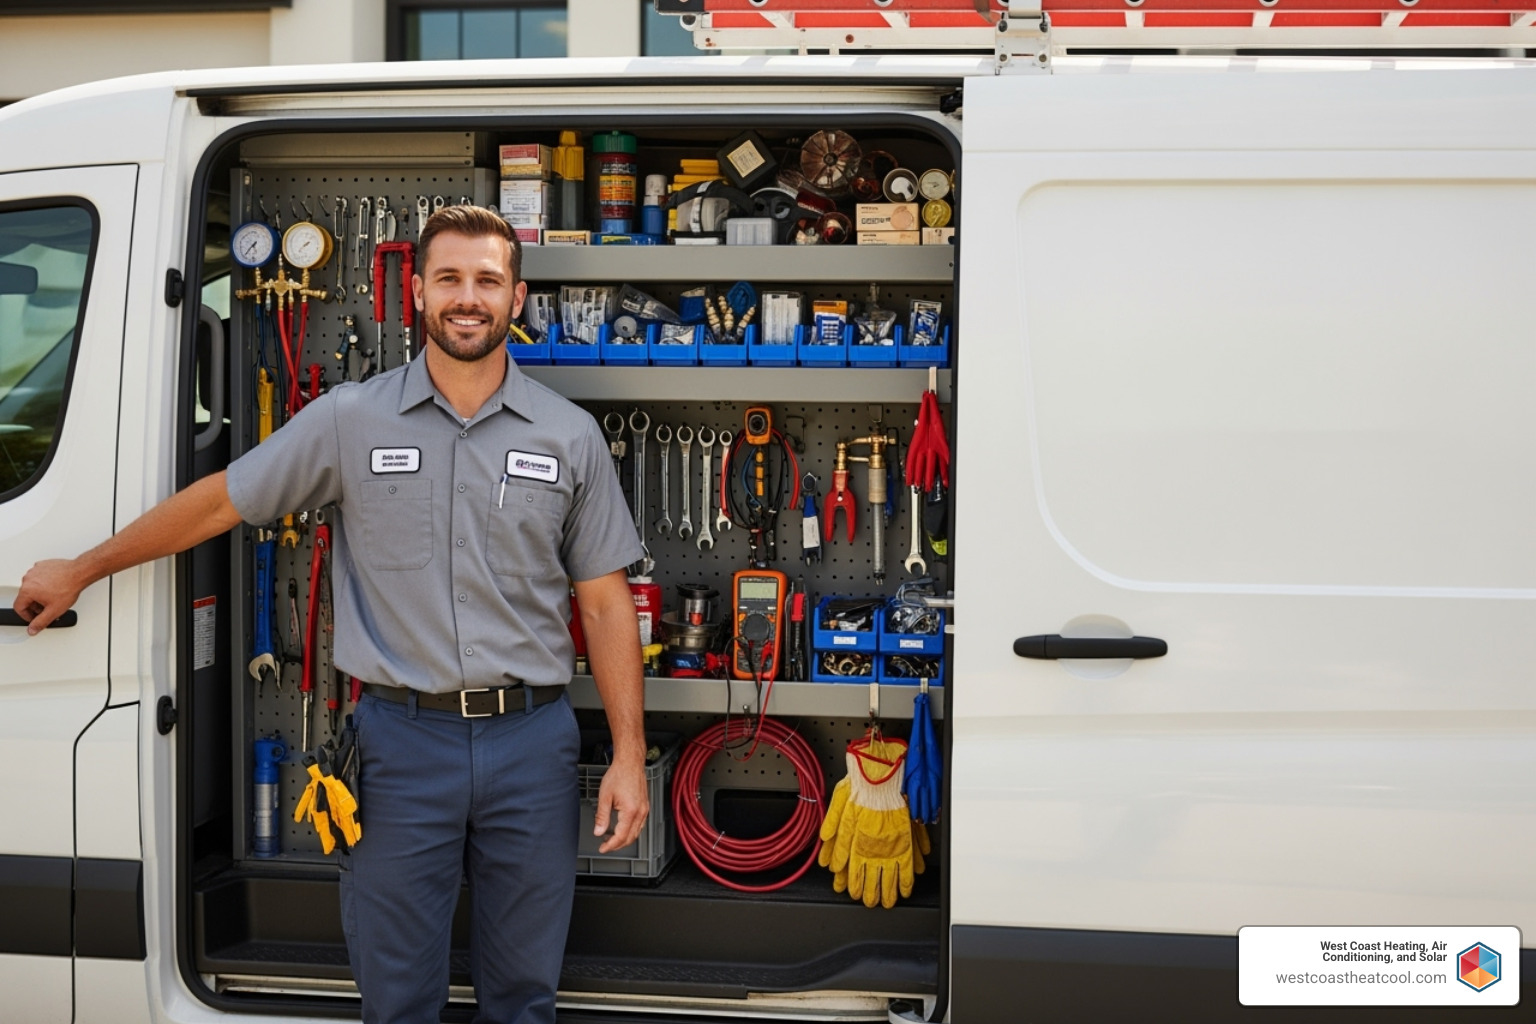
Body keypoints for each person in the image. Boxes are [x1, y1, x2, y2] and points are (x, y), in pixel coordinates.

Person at [13, 205, 649, 1024]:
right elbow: (220, 502)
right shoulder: (352, 419)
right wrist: (85, 566)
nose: (468, 297)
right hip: (398, 748)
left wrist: (628, 755)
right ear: (416, 291)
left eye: (487, 281)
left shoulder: (570, 436)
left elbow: (604, 602)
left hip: (532, 746)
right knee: (396, 998)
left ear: (516, 299)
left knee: (524, 997)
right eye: (449, 278)